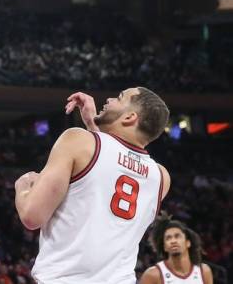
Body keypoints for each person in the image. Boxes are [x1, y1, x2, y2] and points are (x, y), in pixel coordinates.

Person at [14, 88, 172, 283]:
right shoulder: (161, 177)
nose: (110, 98)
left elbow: (32, 216)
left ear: (130, 117)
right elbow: (113, 165)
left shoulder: (77, 140)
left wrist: (22, 187)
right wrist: (92, 124)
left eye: (119, 97)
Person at [140, 216, 214, 283]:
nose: (173, 241)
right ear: (165, 247)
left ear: (188, 242)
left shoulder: (204, 271)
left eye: (177, 236)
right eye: (168, 238)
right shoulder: (153, 275)